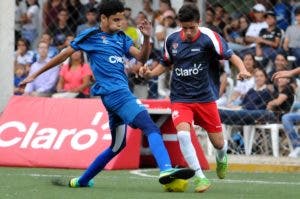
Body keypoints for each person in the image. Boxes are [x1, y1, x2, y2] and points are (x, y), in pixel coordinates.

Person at [19, 0, 194, 189]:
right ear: (103, 18)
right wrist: (35, 74)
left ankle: (81, 180)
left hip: (114, 97)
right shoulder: (91, 36)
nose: (121, 23)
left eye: (123, 19)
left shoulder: (122, 37)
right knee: (150, 127)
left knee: (117, 146)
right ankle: (166, 169)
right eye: (116, 19)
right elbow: (63, 55)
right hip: (116, 94)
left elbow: (141, 57)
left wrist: (146, 38)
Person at [139, 4, 251, 193]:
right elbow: (166, 64)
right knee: (183, 134)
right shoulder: (172, 40)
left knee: (219, 144)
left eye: (192, 27)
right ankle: (200, 178)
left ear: (199, 22)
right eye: (185, 28)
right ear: (179, 25)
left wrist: (242, 69)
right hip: (181, 98)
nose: (189, 32)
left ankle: (221, 156)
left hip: (205, 99)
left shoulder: (210, 38)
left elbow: (232, 56)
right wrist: (149, 74)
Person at [273, 67, 300, 158]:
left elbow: (277, 102)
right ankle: (298, 146)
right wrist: (291, 72)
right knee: (286, 118)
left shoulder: (288, 89)